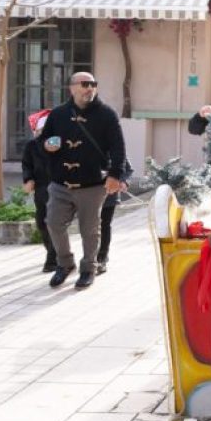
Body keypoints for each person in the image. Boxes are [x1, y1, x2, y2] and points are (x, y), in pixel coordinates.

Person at [42, 72, 126, 290]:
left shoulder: (107, 114)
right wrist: (47, 146)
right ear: (72, 88)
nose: (90, 88)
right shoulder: (58, 114)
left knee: (90, 230)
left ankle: (88, 268)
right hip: (61, 183)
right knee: (53, 222)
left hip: (92, 185)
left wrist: (116, 175)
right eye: (85, 84)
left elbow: (118, 147)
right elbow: (43, 141)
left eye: (94, 84)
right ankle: (65, 263)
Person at [21, 109, 56, 273]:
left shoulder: (58, 144)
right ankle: (52, 251)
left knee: (53, 223)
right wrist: (28, 179)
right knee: (41, 222)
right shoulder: (31, 146)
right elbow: (26, 165)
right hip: (41, 188)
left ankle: (52, 259)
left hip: (58, 187)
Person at [96, 158, 134, 275]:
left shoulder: (115, 148)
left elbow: (128, 170)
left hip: (110, 194)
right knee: (89, 227)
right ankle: (89, 259)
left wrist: (122, 181)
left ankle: (102, 258)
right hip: (90, 194)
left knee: (104, 225)